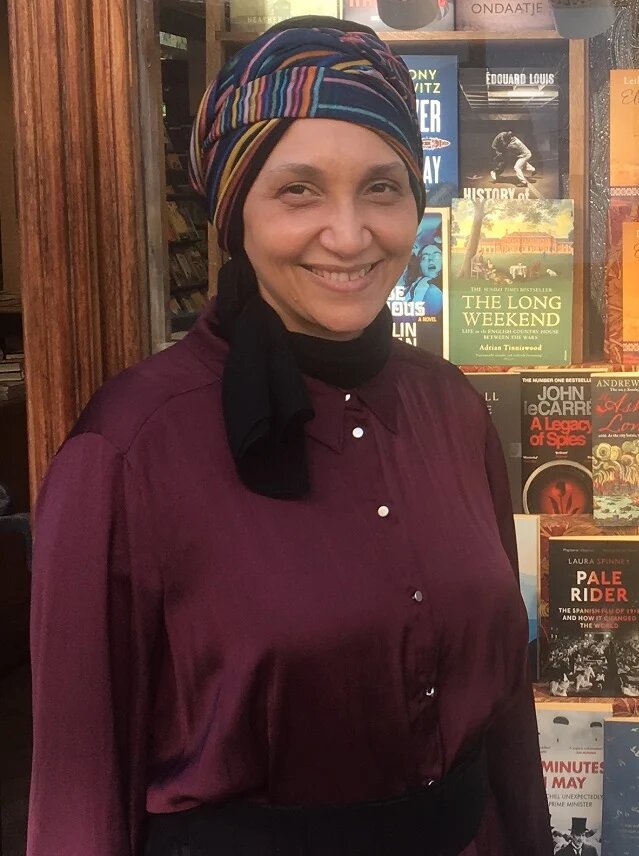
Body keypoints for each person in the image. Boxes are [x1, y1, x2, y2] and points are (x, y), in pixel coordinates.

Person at [27, 18, 550, 856]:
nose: (349, 235)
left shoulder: (451, 408)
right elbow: (78, 784)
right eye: (299, 191)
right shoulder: (127, 450)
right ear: (234, 211)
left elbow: (508, 729)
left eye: (381, 188)